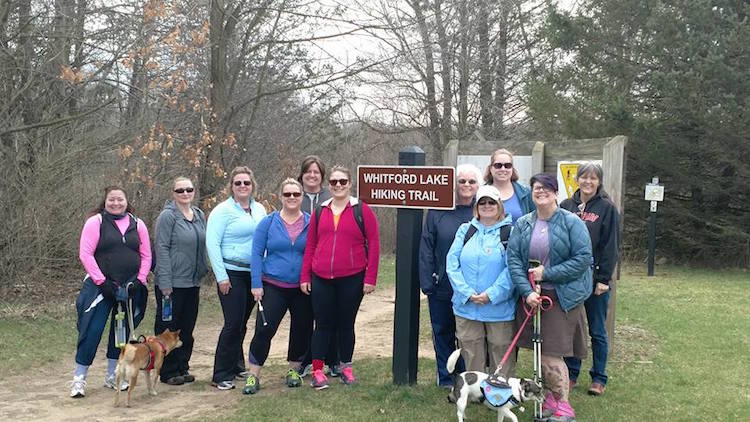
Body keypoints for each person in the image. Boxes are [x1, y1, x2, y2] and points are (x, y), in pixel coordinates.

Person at [507, 173, 593, 422]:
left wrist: (548, 273)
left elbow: (582, 258)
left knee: (551, 352)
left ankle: (564, 406)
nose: (541, 192)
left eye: (546, 188)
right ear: (531, 193)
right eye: (536, 188)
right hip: (534, 297)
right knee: (538, 352)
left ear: (556, 193)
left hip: (562, 297)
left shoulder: (571, 222)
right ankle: (552, 401)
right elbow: (513, 260)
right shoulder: (523, 223)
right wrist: (527, 291)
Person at [300, 165, 380, 389]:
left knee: (346, 324)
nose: (338, 186)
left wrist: (370, 277)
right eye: (334, 182)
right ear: (329, 185)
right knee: (322, 324)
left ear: (350, 184)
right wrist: (305, 275)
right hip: (321, 276)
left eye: (342, 181)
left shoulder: (361, 209)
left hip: (352, 277)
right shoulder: (320, 211)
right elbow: (311, 245)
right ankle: (318, 370)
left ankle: (346, 367)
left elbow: (374, 243)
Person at [69, 186, 152, 398]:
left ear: (127, 201)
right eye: (111, 200)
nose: (116, 203)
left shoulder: (138, 224)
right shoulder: (95, 222)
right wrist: (102, 282)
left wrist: (139, 281)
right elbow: (85, 254)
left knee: (120, 335)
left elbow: (146, 255)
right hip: (100, 287)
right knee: (91, 331)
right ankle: (79, 379)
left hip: (128, 288)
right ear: (105, 201)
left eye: (120, 199)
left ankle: (113, 375)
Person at [242, 178, 313, 395]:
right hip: (273, 284)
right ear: (281, 197)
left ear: (302, 197)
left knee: (301, 329)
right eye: (287, 194)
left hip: (302, 287)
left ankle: (294, 370)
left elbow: (314, 253)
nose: (292, 198)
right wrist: (256, 283)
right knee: (264, 329)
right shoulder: (268, 222)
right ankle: (253, 374)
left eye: (296, 194)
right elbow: (255, 254)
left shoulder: (312, 222)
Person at [418, 163, 482, 388]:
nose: (466, 185)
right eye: (462, 181)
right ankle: (445, 378)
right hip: (442, 286)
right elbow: (427, 246)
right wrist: (428, 281)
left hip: (473, 288)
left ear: (478, 185)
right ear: (454, 185)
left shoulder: (483, 211)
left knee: (467, 336)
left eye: (471, 181)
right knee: (443, 332)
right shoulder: (438, 211)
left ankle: (466, 377)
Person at [206, 166, 267, 390]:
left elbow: (264, 239)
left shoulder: (259, 209)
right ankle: (220, 373)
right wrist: (221, 276)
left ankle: (236, 364)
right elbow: (212, 244)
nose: (243, 186)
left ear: (253, 186)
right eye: (238, 183)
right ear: (231, 186)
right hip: (231, 274)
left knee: (242, 323)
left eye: (246, 183)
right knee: (232, 323)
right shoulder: (222, 211)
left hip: (253, 274)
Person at [561, 163, 620, 397]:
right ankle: (571, 373)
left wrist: (603, 278)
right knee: (573, 328)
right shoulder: (566, 206)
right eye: (584, 177)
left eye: (593, 178)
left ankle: (598, 377)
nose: (588, 182)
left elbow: (611, 246)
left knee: (597, 330)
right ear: (577, 179)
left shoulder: (607, 208)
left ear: (599, 181)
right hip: (572, 279)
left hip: (596, 280)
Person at [445, 185, 517, 377]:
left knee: (501, 350)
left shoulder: (510, 233)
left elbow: (513, 269)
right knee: (471, 349)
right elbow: (452, 264)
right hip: (467, 306)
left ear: (500, 206)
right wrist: (467, 293)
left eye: (491, 202)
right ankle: (476, 391)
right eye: (482, 202)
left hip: (499, 308)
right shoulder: (465, 231)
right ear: (476, 207)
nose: (487, 206)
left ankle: (499, 392)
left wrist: (491, 294)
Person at [153, 177, 208, 385]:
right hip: (172, 284)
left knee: (186, 328)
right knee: (168, 329)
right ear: (173, 193)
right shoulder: (168, 217)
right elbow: (162, 248)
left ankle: (182, 366)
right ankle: (167, 371)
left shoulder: (199, 215)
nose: (185, 193)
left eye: (189, 189)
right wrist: (165, 282)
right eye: (180, 190)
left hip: (192, 282)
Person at [296, 155, 339, 377]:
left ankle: (332, 360)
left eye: (316, 172)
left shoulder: (330, 198)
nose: (312, 175)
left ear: (322, 176)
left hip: (325, 266)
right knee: (304, 318)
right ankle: (303, 361)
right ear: (302, 174)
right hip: (300, 266)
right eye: (308, 171)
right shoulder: (294, 195)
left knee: (327, 317)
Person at [484, 148, 535, 223]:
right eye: (498, 165)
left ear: (512, 169)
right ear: (491, 168)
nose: (503, 169)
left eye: (507, 165)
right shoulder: (480, 193)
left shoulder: (526, 194)